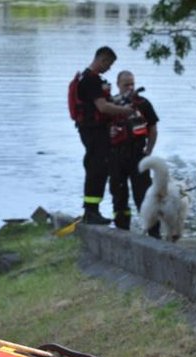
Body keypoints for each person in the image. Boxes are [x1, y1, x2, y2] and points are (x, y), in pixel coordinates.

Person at [71, 47, 136, 225]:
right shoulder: (91, 80)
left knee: (96, 168)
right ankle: (91, 212)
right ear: (102, 60)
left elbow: (103, 102)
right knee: (97, 169)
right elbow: (103, 107)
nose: (109, 68)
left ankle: (92, 210)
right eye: (109, 64)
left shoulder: (86, 77)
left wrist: (117, 101)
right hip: (94, 130)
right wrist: (126, 111)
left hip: (90, 129)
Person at [108, 71, 160, 233]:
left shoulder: (143, 103)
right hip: (116, 155)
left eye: (132, 84)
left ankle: (153, 232)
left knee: (145, 195)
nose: (130, 87)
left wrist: (149, 150)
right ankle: (122, 229)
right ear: (117, 85)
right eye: (126, 84)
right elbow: (103, 128)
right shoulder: (110, 104)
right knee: (118, 194)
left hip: (138, 154)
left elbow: (152, 128)